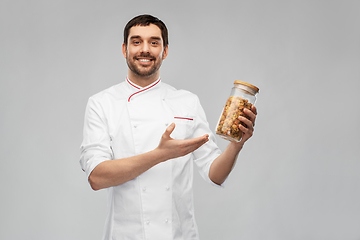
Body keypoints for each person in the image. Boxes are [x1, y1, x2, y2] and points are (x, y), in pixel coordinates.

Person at [80, 14, 257, 240]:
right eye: (137, 42)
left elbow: (215, 174)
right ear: (124, 49)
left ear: (164, 51)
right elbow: (97, 177)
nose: (145, 49)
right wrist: (160, 155)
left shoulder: (187, 102)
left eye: (154, 42)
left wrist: (236, 145)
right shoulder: (102, 103)